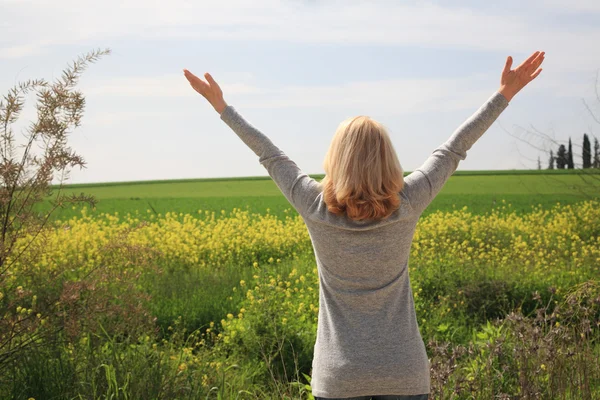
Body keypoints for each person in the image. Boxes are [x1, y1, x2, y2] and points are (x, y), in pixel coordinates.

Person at [183, 50, 545, 400]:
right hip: (403, 372)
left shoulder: (314, 205)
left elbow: (269, 153)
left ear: (335, 160)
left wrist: (222, 107)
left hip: (339, 376)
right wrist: (504, 94)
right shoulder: (408, 202)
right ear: (388, 158)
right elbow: (454, 149)